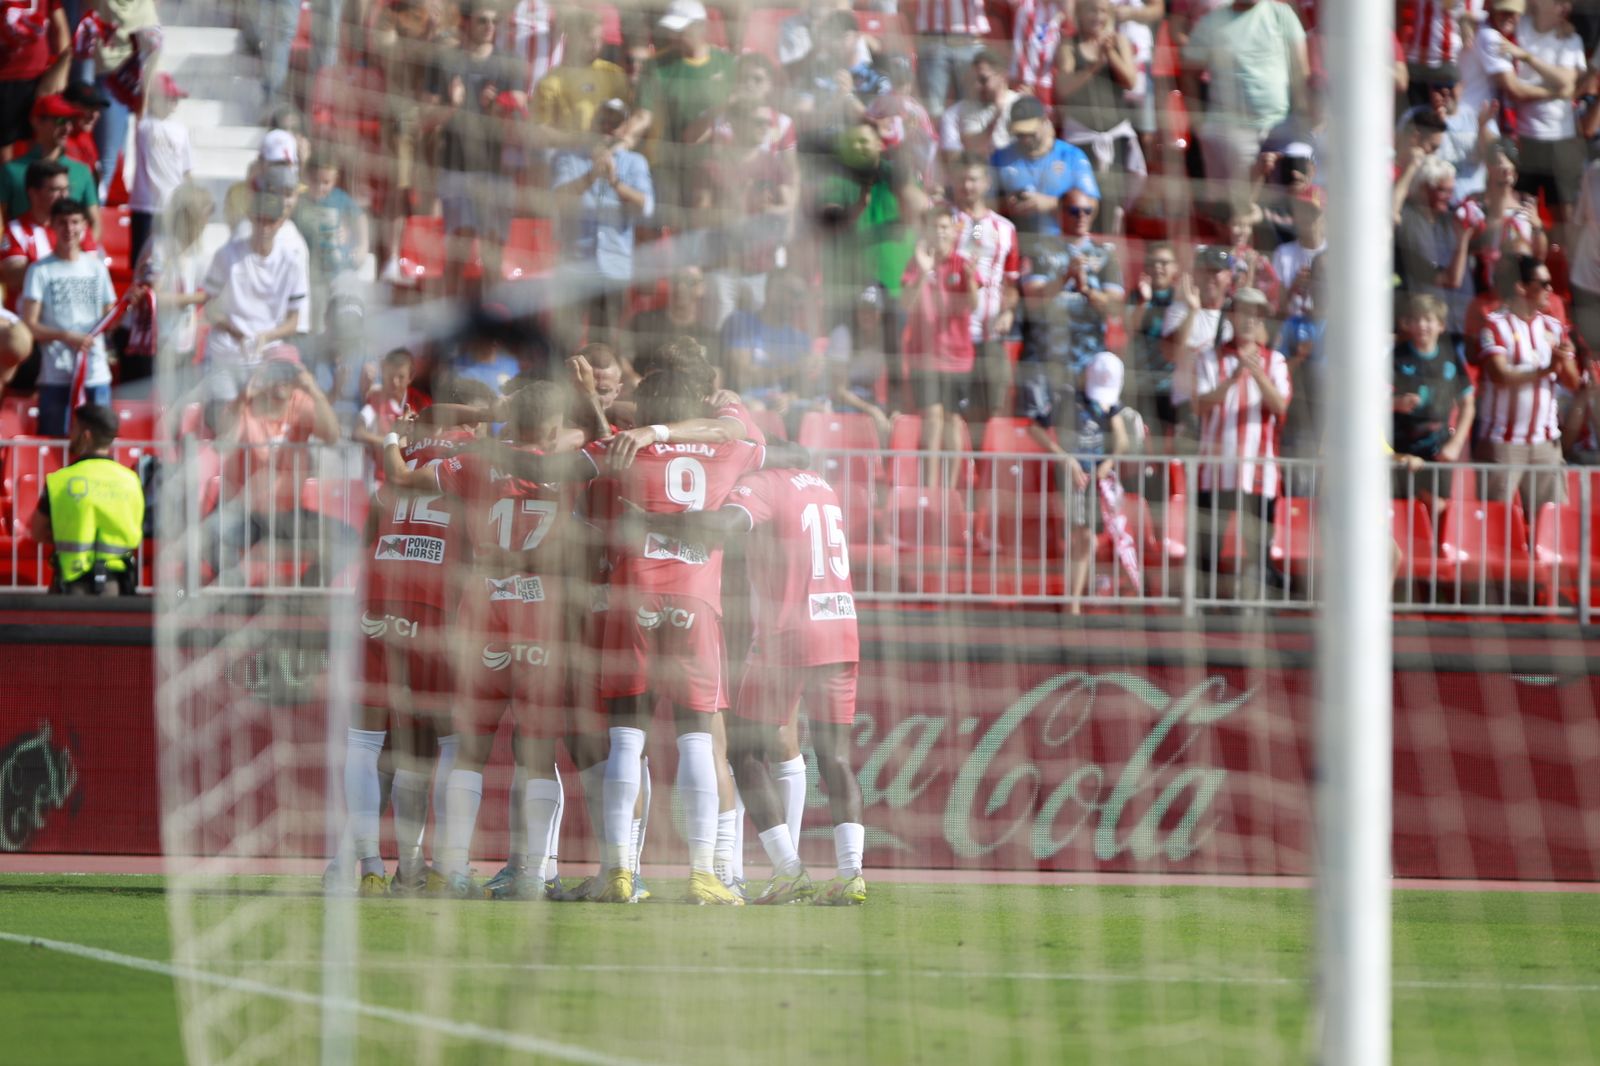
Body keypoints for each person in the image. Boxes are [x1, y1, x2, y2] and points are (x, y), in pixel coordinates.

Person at [633, 464, 869, 905]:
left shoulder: (766, 482)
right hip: (841, 628)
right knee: (835, 756)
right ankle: (851, 873)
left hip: (789, 638)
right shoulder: (823, 486)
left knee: (742, 752)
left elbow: (724, 525)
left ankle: (789, 869)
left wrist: (652, 519)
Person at [1193, 286, 1292, 602]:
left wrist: (1256, 374)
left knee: (1258, 552)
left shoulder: (1275, 360)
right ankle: (1206, 613)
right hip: (1216, 471)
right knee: (1207, 551)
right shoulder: (1209, 357)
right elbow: (1199, 405)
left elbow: (1280, 406)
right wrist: (1234, 378)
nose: (1250, 319)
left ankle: (1257, 615)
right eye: (1244, 312)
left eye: (1256, 313)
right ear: (1233, 315)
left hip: (1260, 474)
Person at [1472, 254, 1581, 515]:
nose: (1550, 289)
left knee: (1552, 526)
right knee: (1494, 523)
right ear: (1521, 286)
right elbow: (1499, 374)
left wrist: (1563, 360)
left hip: (1546, 442)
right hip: (1503, 442)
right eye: (1543, 283)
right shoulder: (1494, 325)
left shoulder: (1554, 328)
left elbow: (1572, 381)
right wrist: (1545, 369)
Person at [1179, 0, 1310, 209]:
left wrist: (1302, 124)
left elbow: (1301, 71)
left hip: (1281, 130)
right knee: (1235, 212)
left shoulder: (1281, 15)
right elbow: (1188, 73)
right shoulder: (1211, 22)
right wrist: (1199, 123)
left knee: (1289, 206)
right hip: (1231, 133)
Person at [551, 98, 655, 351]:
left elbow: (647, 206)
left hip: (613, 267)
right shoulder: (568, 157)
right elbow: (556, 199)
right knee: (564, 343)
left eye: (615, 121)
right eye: (603, 119)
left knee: (604, 348)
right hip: (574, 267)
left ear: (624, 127)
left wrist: (615, 182)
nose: (608, 126)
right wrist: (590, 176)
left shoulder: (634, 162)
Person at [201, 189, 311, 410]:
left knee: (262, 429)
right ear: (251, 218)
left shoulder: (291, 262)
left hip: (267, 360)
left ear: (280, 222)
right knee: (224, 425)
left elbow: (293, 320)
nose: (264, 227)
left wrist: (266, 336)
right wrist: (234, 331)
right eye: (260, 220)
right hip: (226, 356)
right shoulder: (226, 255)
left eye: (270, 221)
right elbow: (209, 308)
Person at [19, 198, 115, 437]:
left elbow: (111, 317)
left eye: (75, 222)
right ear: (52, 225)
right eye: (62, 223)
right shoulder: (40, 270)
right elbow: (30, 324)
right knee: (54, 445)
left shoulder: (97, 268)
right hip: (56, 374)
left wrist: (131, 306)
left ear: (84, 226)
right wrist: (66, 336)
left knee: (99, 443)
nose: (69, 229)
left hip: (95, 373)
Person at [27, 403, 143, 595]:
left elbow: (38, 532)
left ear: (86, 435)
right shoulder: (131, 480)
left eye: (74, 428)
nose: (70, 435)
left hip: (72, 585)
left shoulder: (60, 481)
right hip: (117, 587)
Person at [1053, 0, 1145, 231]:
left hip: (1115, 137)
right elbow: (1063, 88)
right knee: (1085, 199)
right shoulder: (1068, 45)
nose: (1097, 16)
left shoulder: (1119, 41)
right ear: (1080, 14)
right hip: (1082, 140)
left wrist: (1110, 55)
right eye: (1092, 10)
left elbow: (1130, 81)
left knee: (1112, 202)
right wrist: (1094, 67)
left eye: (1103, 11)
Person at [900, 206, 978, 474]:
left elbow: (973, 305)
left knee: (952, 420)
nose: (940, 232)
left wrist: (969, 281)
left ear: (953, 231)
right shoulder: (917, 261)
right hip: (925, 356)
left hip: (958, 358)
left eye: (945, 227)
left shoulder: (962, 262)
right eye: (935, 227)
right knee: (932, 419)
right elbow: (906, 304)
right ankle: (931, 488)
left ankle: (950, 492)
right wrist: (923, 272)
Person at [1508, 0, 1586, 244]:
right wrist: (1555, 89)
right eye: (1559, 2)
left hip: (1561, 140)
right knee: (1520, 213)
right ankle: (1527, 273)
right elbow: (1517, 89)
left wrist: (1527, 58)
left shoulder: (1571, 39)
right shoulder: (1520, 27)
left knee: (1565, 214)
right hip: (1525, 137)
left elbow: (1569, 82)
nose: (1566, 8)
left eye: (1568, 4)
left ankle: (1563, 273)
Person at [952, 155, 1020, 420]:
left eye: (973, 180)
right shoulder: (945, 222)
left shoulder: (1005, 228)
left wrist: (1008, 312)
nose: (967, 186)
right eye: (962, 180)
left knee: (989, 407)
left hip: (990, 333)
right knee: (954, 409)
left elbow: (1011, 282)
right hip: (953, 331)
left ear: (986, 183)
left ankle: (979, 461)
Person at [1392, 293, 1476, 500]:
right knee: (1403, 512)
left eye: (1428, 320)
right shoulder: (1396, 357)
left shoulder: (1452, 358)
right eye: (1416, 320)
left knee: (1438, 507)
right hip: (1402, 452)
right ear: (1408, 324)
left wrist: (1455, 444)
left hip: (1438, 450)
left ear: (1441, 325)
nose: (1422, 325)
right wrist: (1396, 403)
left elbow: (1468, 404)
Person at [990, 95, 1100, 246]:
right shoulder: (1000, 158)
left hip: (1064, 246)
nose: (1025, 139)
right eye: (1020, 134)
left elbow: (1092, 205)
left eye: (1030, 132)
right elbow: (979, 208)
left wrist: (1050, 204)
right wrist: (1005, 204)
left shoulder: (1072, 156)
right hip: (1015, 244)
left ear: (1044, 121)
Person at [1397, 155, 1475, 341]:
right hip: (1424, 327)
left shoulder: (1448, 219)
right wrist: (1463, 240)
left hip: (1457, 322)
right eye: (1442, 190)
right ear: (1423, 189)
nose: (1449, 197)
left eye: (1451, 191)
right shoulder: (1409, 222)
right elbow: (1450, 279)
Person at [1, 93, 99, 236]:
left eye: (70, 121)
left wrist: (81, 255)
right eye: (60, 121)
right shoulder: (11, 171)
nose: (67, 128)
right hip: (25, 254)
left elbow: (95, 221)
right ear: (36, 122)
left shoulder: (82, 171)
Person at [128, 72, 193, 271]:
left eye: (175, 99)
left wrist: (188, 201)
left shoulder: (181, 131)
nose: (174, 103)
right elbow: (140, 108)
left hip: (172, 206)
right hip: (146, 206)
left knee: (169, 262)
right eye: (169, 97)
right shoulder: (144, 126)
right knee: (142, 262)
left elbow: (186, 170)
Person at [1, 159, 70, 316]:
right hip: (27, 321)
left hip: (71, 321)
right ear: (34, 193)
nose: (64, 196)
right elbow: (12, 277)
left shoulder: (77, 228)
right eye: (55, 190)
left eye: (66, 189)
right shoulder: (16, 230)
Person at [938, 50, 1017, 165]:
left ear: (1002, 76)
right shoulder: (966, 109)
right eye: (973, 79)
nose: (977, 86)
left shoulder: (1020, 103)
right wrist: (995, 120)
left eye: (983, 80)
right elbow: (973, 147)